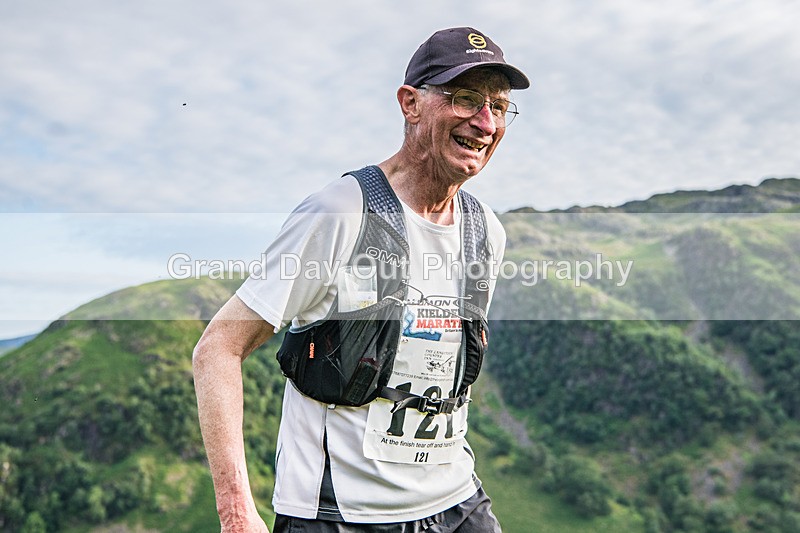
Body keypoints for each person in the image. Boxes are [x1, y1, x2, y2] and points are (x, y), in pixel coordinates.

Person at [193, 26, 530, 532]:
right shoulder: (341, 212)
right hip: (339, 516)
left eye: (499, 107)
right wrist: (238, 515)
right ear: (410, 103)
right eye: (465, 99)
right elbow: (218, 349)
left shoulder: (487, 232)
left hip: (458, 503)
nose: (485, 122)